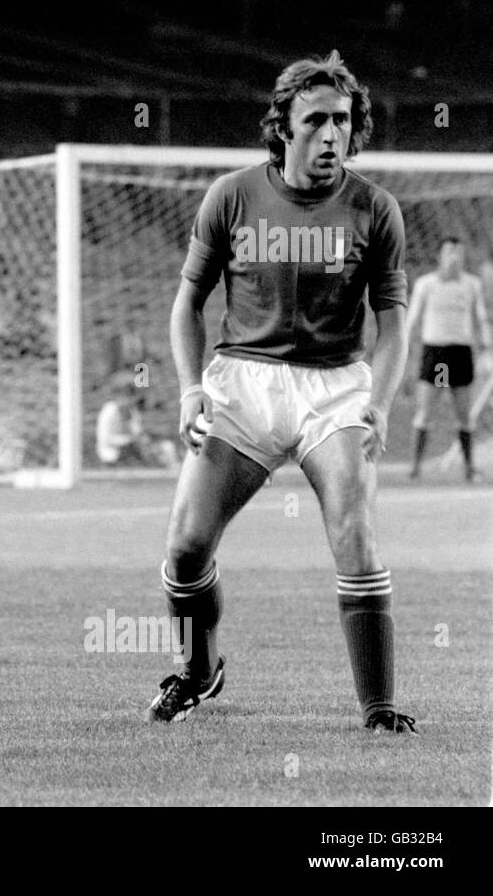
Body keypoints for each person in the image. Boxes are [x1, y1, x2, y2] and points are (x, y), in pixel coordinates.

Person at [147, 51, 416, 733]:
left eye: (344, 121)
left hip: (333, 391)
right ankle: (198, 670)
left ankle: (379, 710)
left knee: (355, 539)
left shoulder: (375, 209)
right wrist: (188, 390)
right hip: (242, 385)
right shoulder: (231, 195)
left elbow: (392, 322)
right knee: (185, 548)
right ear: (284, 127)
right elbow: (188, 304)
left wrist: (377, 403)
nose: (333, 134)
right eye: (318, 120)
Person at [406, 237, 491, 480]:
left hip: (460, 354)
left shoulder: (471, 285)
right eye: (450, 252)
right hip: (437, 355)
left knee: (464, 413)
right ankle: (415, 467)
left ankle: (468, 467)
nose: (454, 258)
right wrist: (405, 344)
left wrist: (486, 343)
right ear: (440, 257)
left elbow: (480, 316)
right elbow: (413, 317)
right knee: (426, 410)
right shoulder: (426, 284)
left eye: (459, 254)